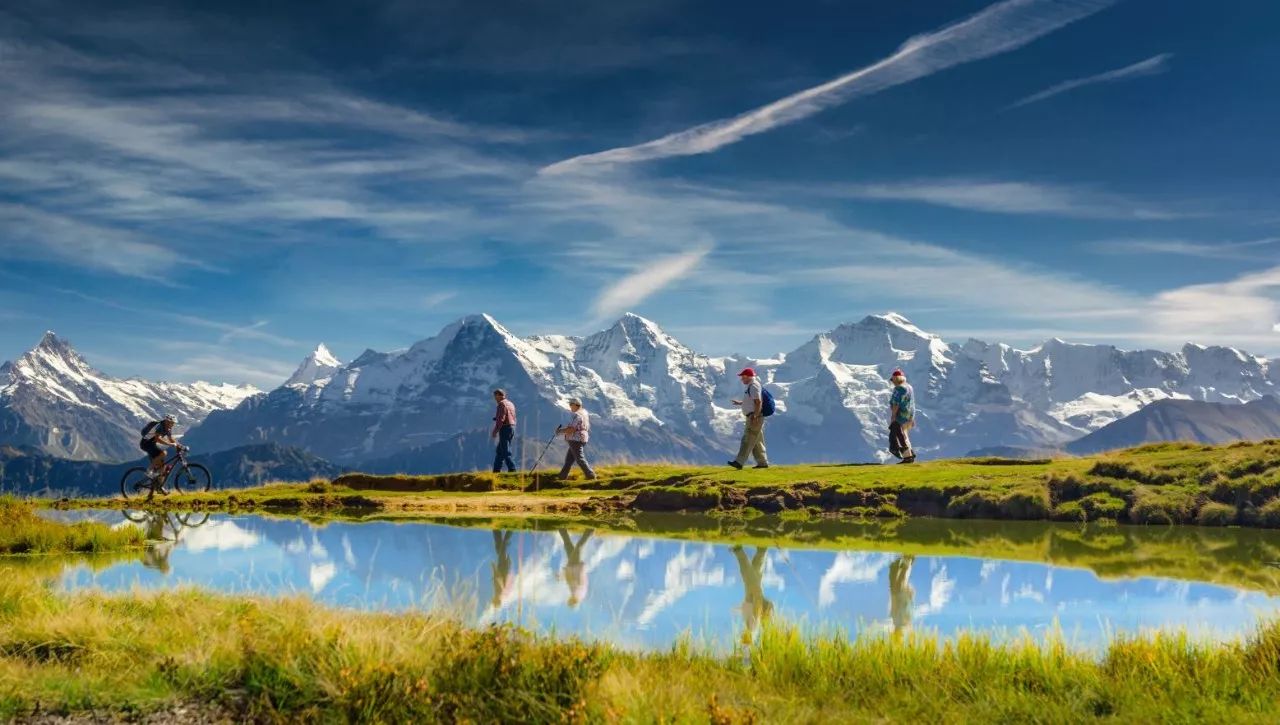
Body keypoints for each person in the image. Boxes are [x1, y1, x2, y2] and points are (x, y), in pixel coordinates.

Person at [732, 545, 774, 645]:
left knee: (754, 575)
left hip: (753, 600)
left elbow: (747, 608)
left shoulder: (753, 628)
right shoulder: (753, 628)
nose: (742, 635)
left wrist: (747, 603)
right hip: (754, 599)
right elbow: (767, 609)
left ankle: (761, 551)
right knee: (748, 576)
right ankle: (739, 551)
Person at [728, 368, 769, 469]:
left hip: (754, 417)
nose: (742, 379)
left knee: (747, 439)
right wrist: (741, 403)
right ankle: (762, 463)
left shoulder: (754, 386)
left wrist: (755, 415)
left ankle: (739, 462)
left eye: (743, 377)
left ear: (748, 376)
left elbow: (758, 402)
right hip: (754, 416)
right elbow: (752, 401)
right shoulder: (752, 386)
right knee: (756, 441)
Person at [556, 398, 597, 481]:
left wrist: (560, 431)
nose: (570, 406)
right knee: (569, 459)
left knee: (579, 458)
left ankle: (590, 475)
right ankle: (562, 476)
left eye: (571, 404)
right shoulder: (585, 413)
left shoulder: (577, 415)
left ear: (576, 405)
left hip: (575, 439)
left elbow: (572, 429)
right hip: (583, 438)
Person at [139, 414, 180, 493]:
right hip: (146, 443)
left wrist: (179, 446)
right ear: (167, 421)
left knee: (162, 467)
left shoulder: (168, 428)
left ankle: (159, 488)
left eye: (174, 423)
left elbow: (171, 438)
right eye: (172, 423)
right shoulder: (160, 426)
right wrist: (170, 444)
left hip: (151, 444)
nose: (173, 425)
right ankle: (149, 470)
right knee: (164, 453)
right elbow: (157, 439)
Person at [558, 528, 594, 608]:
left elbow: (583, 581)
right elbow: (571, 580)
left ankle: (562, 529)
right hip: (573, 566)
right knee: (577, 548)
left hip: (576, 567)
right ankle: (589, 531)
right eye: (569, 601)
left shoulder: (581, 595)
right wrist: (563, 575)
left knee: (568, 546)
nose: (568, 600)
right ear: (572, 601)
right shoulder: (575, 593)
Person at [888, 369, 916, 464]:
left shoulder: (898, 389)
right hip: (909, 415)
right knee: (904, 434)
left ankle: (907, 456)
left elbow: (896, 404)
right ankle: (910, 454)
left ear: (896, 379)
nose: (892, 382)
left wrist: (893, 416)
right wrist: (912, 418)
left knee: (899, 435)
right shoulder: (909, 387)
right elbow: (912, 403)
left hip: (900, 415)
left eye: (892, 380)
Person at [490, 389, 517, 473]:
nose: (495, 398)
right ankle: (496, 470)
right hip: (512, 427)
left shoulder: (501, 404)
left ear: (499, 395)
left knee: (505, 450)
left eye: (495, 396)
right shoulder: (510, 403)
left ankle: (512, 469)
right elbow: (511, 416)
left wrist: (495, 431)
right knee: (500, 450)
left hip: (505, 428)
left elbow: (501, 419)